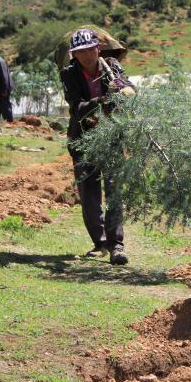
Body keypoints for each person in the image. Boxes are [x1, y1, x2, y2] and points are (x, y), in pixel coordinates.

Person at [59, 28, 134, 265]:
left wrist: (125, 90)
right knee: (90, 192)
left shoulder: (111, 66)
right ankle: (100, 243)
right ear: (74, 55)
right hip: (83, 139)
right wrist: (104, 99)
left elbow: (128, 88)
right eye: (80, 52)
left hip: (111, 135)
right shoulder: (69, 74)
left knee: (113, 189)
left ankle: (117, 245)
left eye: (90, 49)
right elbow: (77, 109)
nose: (86, 55)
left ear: (97, 48)